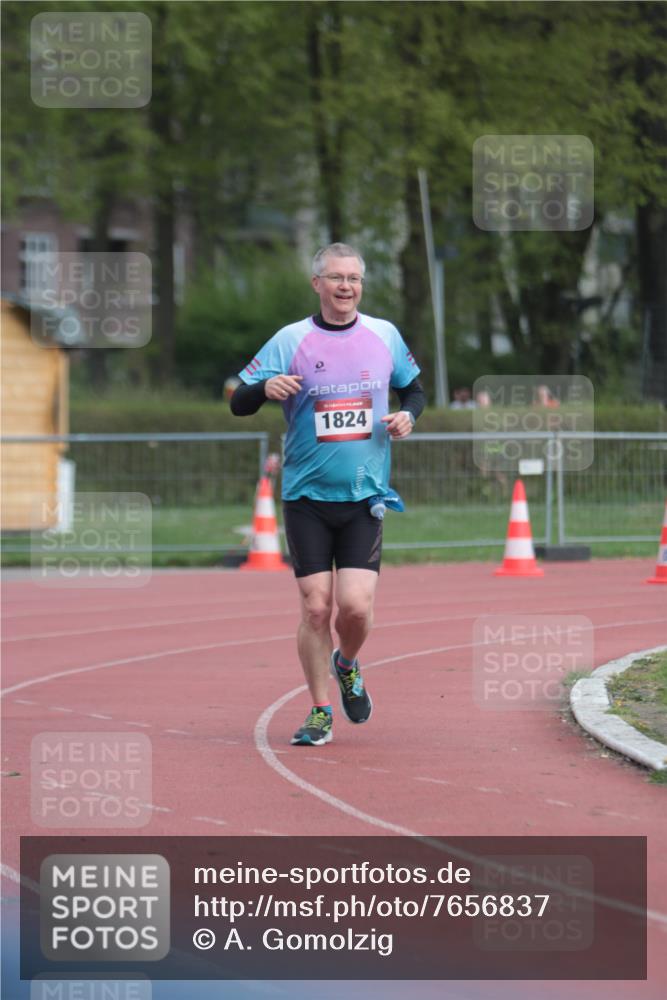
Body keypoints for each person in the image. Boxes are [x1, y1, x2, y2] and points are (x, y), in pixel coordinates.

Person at [230, 242, 425, 746]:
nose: (346, 287)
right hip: (306, 497)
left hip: (364, 495)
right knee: (316, 609)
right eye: (336, 277)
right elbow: (240, 401)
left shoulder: (383, 334)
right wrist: (264, 387)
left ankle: (348, 663)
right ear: (316, 283)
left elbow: (415, 390)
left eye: (354, 278)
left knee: (354, 609)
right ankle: (319, 711)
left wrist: (408, 416)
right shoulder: (290, 339)